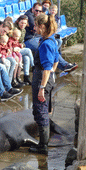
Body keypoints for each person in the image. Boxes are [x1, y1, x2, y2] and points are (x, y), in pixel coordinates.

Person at [28, 14, 59, 155]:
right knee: (43, 110)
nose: (34, 28)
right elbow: (56, 60)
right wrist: (52, 73)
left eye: (35, 26)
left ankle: (43, 146)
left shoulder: (46, 43)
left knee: (41, 111)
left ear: (41, 26)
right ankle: (43, 143)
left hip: (42, 79)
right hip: (47, 78)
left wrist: (41, 87)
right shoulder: (51, 40)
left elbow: (46, 68)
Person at [24, 2, 78, 73]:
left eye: (40, 11)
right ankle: (63, 65)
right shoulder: (29, 16)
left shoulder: (42, 17)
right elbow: (34, 27)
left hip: (40, 36)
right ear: (32, 9)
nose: (38, 12)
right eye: (36, 10)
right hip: (31, 39)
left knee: (58, 40)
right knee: (49, 46)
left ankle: (60, 63)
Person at [14, 15, 34, 85]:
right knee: (28, 50)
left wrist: (23, 45)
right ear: (18, 21)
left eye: (25, 23)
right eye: (21, 23)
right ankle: (33, 66)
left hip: (19, 48)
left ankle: (26, 77)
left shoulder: (24, 30)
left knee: (27, 58)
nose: (23, 25)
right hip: (13, 49)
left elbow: (22, 41)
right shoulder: (14, 29)